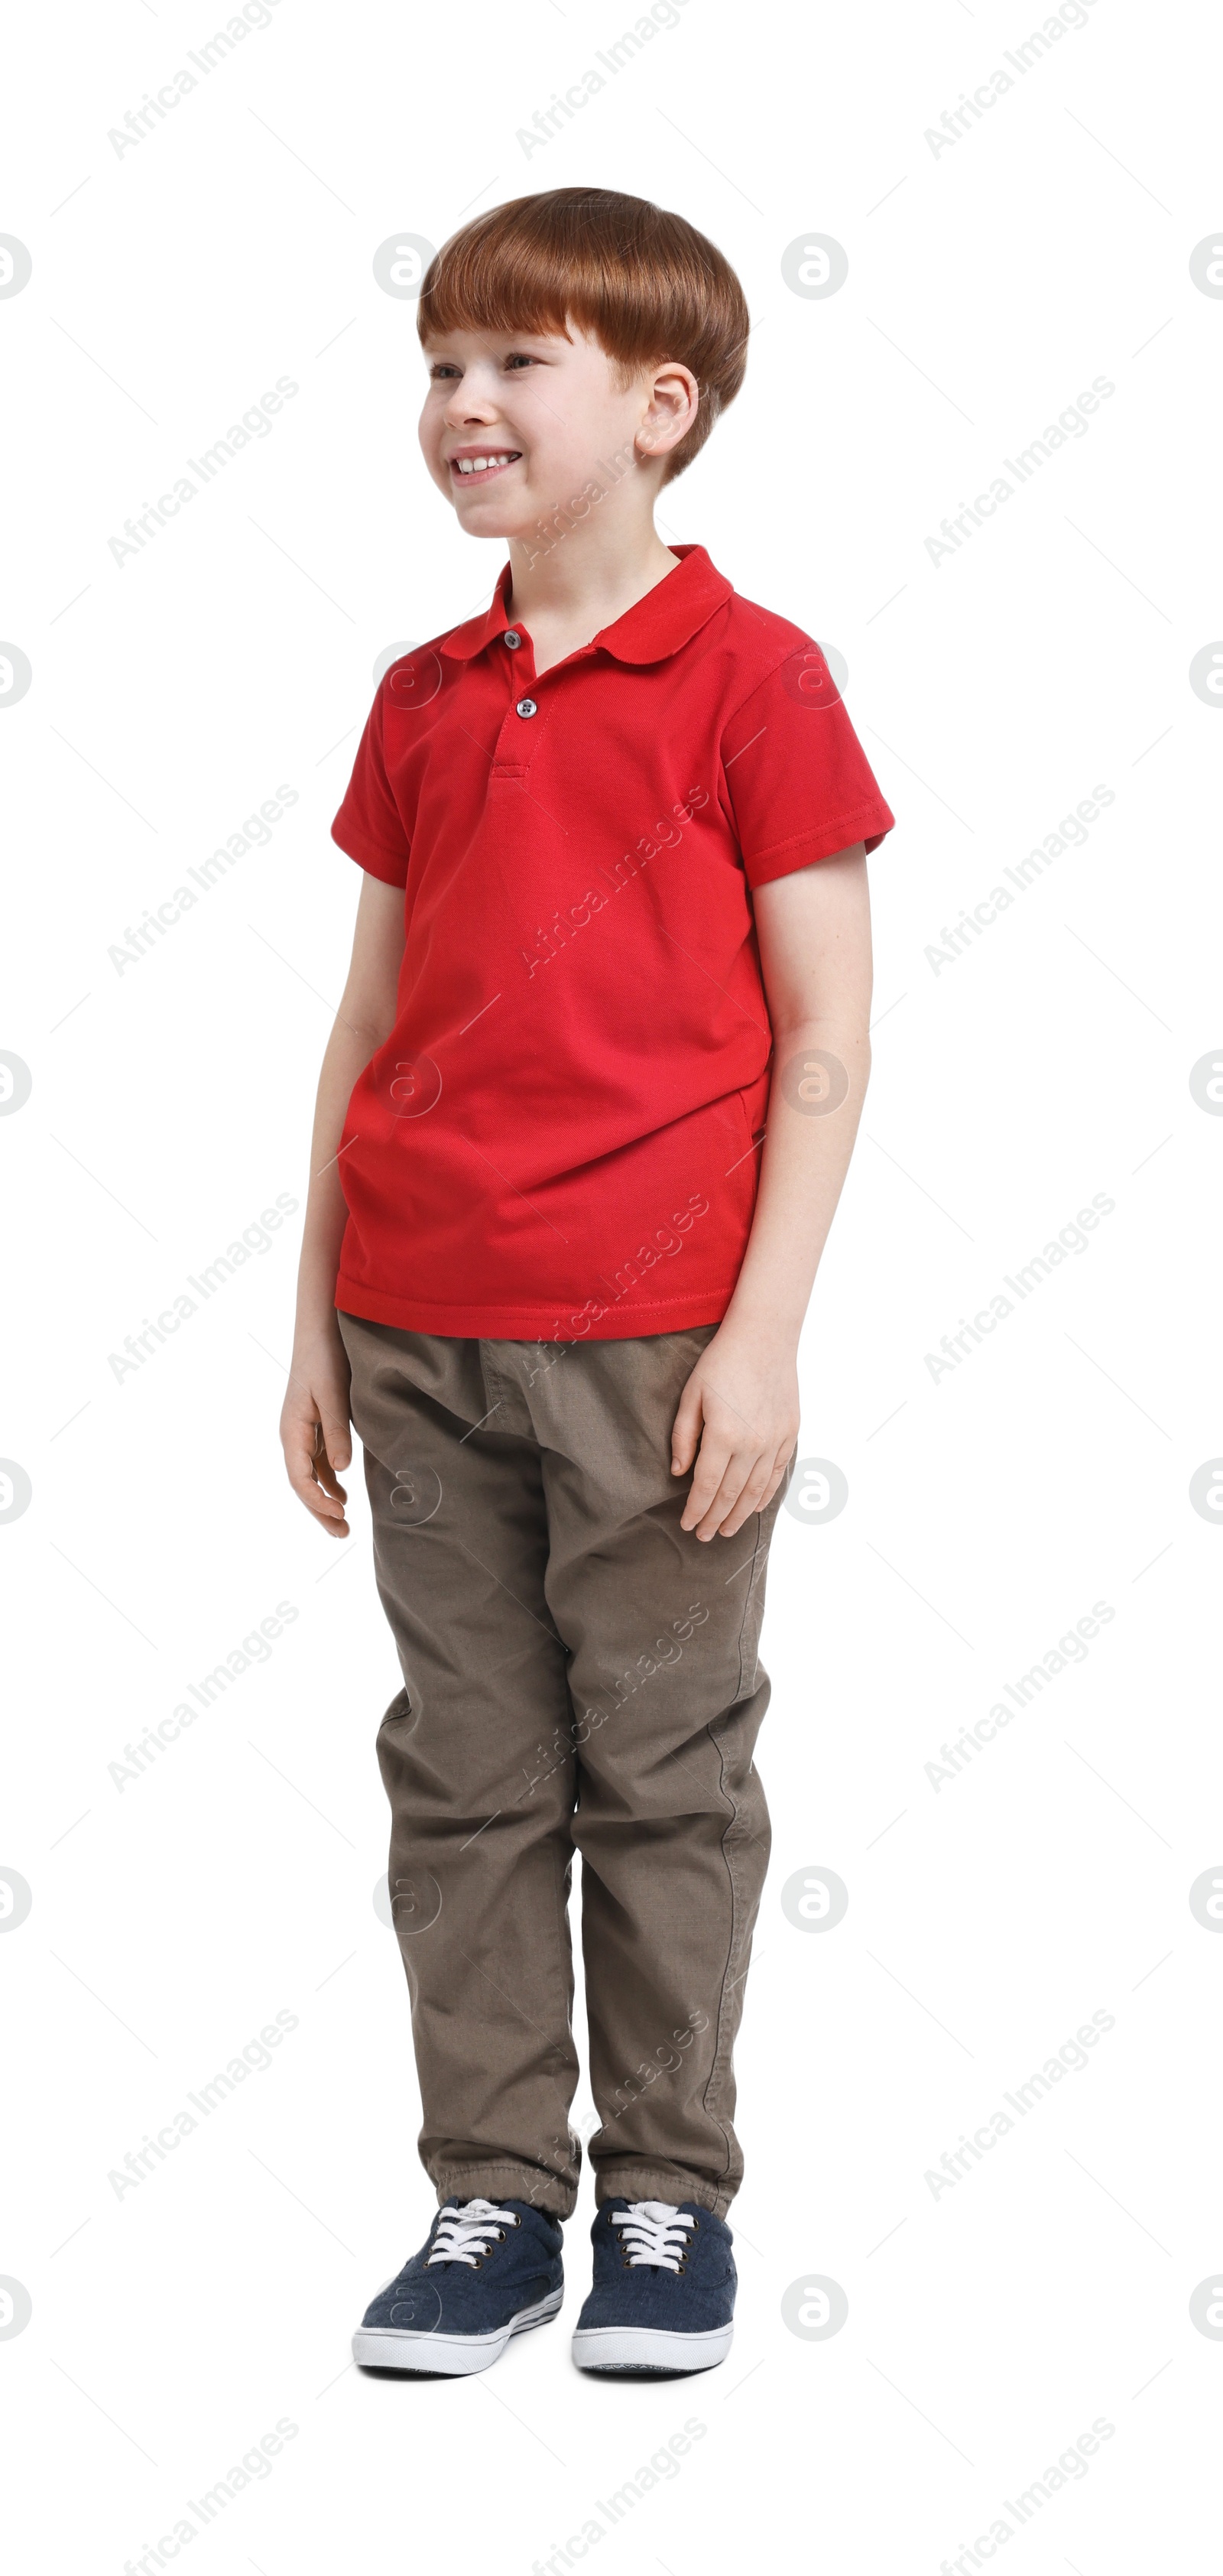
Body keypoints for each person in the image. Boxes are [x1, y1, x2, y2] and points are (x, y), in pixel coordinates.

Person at [279, 184, 894, 2379]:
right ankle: (493, 2196)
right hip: (417, 1325)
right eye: (442, 365)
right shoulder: (424, 695)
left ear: (659, 407)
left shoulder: (755, 677)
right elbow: (369, 1027)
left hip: (649, 1340)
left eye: (513, 364)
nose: (462, 403)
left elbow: (824, 1031)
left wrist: (764, 1334)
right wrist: (310, 1325)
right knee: (464, 1769)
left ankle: (664, 2195)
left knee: (660, 1761)